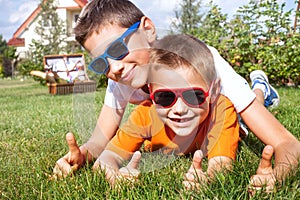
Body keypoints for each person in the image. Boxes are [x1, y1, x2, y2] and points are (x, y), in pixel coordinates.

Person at [53, 0, 300, 193]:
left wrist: (276, 178)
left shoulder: (205, 62)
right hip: (195, 116)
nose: (113, 68)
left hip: (215, 106)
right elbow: (100, 142)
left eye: (116, 49)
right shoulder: (121, 75)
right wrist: (80, 156)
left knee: (248, 111)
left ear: (147, 29)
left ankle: (260, 87)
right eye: (100, 63)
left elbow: (287, 143)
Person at [93, 34, 240, 186]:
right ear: (150, 91)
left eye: (194, 96)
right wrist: (114, 177)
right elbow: (105, 159)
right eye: (165, 97)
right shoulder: (145, 114)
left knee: (255, 104)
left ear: (214, 91)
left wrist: (208, 179)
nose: (180, 109)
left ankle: (260, 89)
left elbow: (221, 165)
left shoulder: (220, 110)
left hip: (237, 126)